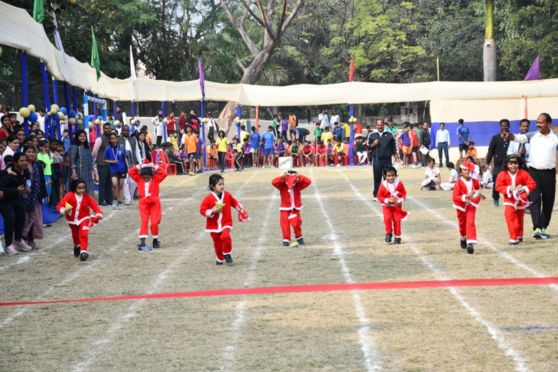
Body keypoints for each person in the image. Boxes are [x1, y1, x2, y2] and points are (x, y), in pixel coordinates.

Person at [507, 113, 557, 239]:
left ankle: (543, 227)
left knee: (548, 201)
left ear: (548, 123)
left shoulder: (555, 137)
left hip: (550, 173)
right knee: (534, 199)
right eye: (537, 122)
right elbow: (518, 138)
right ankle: (537, 228)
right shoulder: (532, 135)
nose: (538, 125)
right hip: (534, 172)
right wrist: (509, 136)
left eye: (541, 122)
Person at [199, 174, 248, 265]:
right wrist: (213, 211)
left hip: (226, 222)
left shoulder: (227, 195)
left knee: (225, 236)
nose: (222, 186)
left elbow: (234, 202)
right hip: (213, 226)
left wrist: (241, 210)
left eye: (223, 184)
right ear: (212, 186)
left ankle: (227, 253)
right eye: (219, 184)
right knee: (217, 244)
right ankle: (219, 257)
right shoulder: (208, 198)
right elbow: (202, 210)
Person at [57, 179, 103, 261]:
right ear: (75, 188)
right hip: (72, 220)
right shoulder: (69, 195)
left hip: (84, 218)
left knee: (84, 233)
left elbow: (94, 205)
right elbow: (60, 206)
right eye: (79, 188)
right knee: (75, 235)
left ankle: (83, 251)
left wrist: (98, 213)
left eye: (83, 188)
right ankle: (77, 246)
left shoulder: (87, 196)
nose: (82, 190)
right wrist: (64, 210)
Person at [495, 154, 537, 244]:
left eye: (515, 163)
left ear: (519, 164)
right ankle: (513, 238)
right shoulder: (502, 174)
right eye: (511, 163)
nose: (513, 165)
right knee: (510, 218)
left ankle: (519, 235)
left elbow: (532, 184)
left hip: (521, 199)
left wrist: (524, 188)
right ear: (506, 164)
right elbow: (498, 187)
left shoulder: (523, 173)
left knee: (519, 219)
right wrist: (509, 188)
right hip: (509, 201)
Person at [129, 162, 167, 251]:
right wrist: (139, 166)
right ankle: (142, 242)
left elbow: (164, 173)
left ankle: (155, 239)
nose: (146, 178)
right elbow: (131, 172)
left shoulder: (156, 178)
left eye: (148, 177)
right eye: (144, 177)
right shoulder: (139, 179)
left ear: (151, 175)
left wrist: (154, 166)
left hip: (154, 202)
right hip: (143, 203)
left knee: (154, 222)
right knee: (144, 221)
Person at [0, 153, 32, 255]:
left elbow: (25, 182)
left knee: (21, 216)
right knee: (10, 219)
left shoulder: (25, 171)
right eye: (21, 161)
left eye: (25, 160)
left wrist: (26, 188)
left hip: (16, 198)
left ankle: (18, 240)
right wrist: (15, 190)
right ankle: (8, 245)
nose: (24, 163)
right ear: (15, 162)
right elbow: (1, 190)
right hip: (5, 200)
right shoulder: (8, 174)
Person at [272, 170, 312, 247]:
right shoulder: (282, 184)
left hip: (295, 208)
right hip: (285, 208)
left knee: (297, 223)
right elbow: (273, 182)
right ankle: (286, 239)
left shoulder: (298, 184)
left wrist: (299, 176)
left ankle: (299, 237)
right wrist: (282, 177)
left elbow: (308, 181)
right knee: (285, 224)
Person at [452, 160, 482, 254]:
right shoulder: (458, 183)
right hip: (461, 206)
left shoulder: (475, 181)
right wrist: (465, 197)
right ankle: (463, 237)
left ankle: (470, 242)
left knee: (470, 221)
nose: (467, 172)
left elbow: (478, 190)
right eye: (464, 170)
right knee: (462, 224)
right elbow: (455, 197)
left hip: (471, 205)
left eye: (468, 170)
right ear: (461, 171)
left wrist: (474, 195)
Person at [22, 146, 47, 249]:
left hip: (35, 196)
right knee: (25, 219)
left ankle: (31, 240)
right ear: (24, 153)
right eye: (28, 152)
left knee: (35, 219)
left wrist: (43, 194)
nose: (31, 154)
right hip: (23, 197)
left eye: (33, 152)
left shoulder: (38, 165)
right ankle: (23, 239)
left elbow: (42, 180)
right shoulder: (21, 164)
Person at [377, 166, 408, 244]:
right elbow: (379, 196)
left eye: (393, 175)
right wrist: (387, 200)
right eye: (389, 176)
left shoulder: (399, 183)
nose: (391, 177)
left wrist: (400, 200)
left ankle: (397, 237)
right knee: (387, 219)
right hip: (386, 206)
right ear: (385, 176)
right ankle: (389, 233)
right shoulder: (383, 185)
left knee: (397, 221)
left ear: (395, 175)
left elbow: (404, 193)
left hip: (397, 206)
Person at [368, 118, 396, 201]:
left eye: (381, 125)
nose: (380, 126)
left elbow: (394, 146)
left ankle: (387, 195)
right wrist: (374, 144)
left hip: (387, 160)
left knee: (388, 179)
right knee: (377, 178)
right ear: (376, 125)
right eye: (378, 125)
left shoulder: (389, 134)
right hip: (377, 160)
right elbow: (368, 147)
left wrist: (395, 154)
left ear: (384, 125)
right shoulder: (372, 135)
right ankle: (376, 195)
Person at [485, 119, 511, 207]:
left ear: (509, 126)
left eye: (505, 126)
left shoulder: (512, 137)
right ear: (500, 127)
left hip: (510, 165)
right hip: (498, 165)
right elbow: (490, 151)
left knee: (510, 183)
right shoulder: (495, 138)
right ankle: (496, 198)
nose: (504, 127)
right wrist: (487, 162)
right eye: (502, 126)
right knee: (496, 182)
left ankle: (510, 200)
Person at [103, 133, 128, 209]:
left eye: (114, 138)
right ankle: (114, 199)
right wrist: (112, 162)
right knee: (114, 184)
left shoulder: (121, 147)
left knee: (121, 185)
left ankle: (119, 201)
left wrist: (128, 166)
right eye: (112, 138)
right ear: (110, 140)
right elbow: (104, 160)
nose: (113, 140)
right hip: (113, 169)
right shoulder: (108, 149)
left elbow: (125, 158)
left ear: (117, 139)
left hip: (122, 168)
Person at [92, 123, 113, 206]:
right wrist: (99, 159)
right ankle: (101, 200)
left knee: (109, 183)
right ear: (103, 129)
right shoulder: (100, 139)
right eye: (106, 128)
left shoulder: (111, 138)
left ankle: (108, 200)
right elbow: (94, 152)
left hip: (110, 164)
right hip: (102, 164)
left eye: (109, 128)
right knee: (103, 183)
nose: (108, 130)